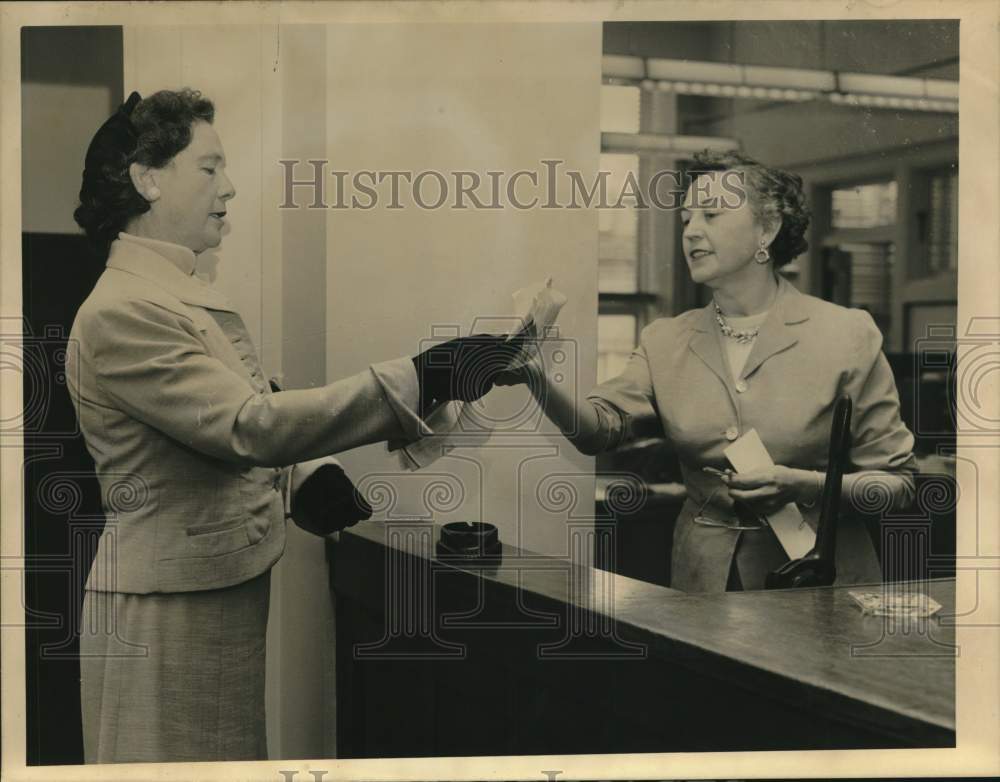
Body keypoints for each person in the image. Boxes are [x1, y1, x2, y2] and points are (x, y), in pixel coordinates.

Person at [67, 89, 516, 763]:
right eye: (210, 167)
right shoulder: (126, 309)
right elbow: (250, 425)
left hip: (205, 593)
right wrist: (427, 375)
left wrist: (302, 476)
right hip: (164, 612)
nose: (230, 187)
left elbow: (233, 405)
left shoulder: (169, 292)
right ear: (147, 178)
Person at [500, 150, 917, 593]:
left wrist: (801, 484)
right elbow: (596, 431)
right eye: (685, 219)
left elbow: (897, 484)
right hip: (705, 590)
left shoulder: (847, 334)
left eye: (712, 214)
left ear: (768, 229)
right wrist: (537, 378)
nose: (691, 231)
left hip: (817, 590)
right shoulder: (665, 340)